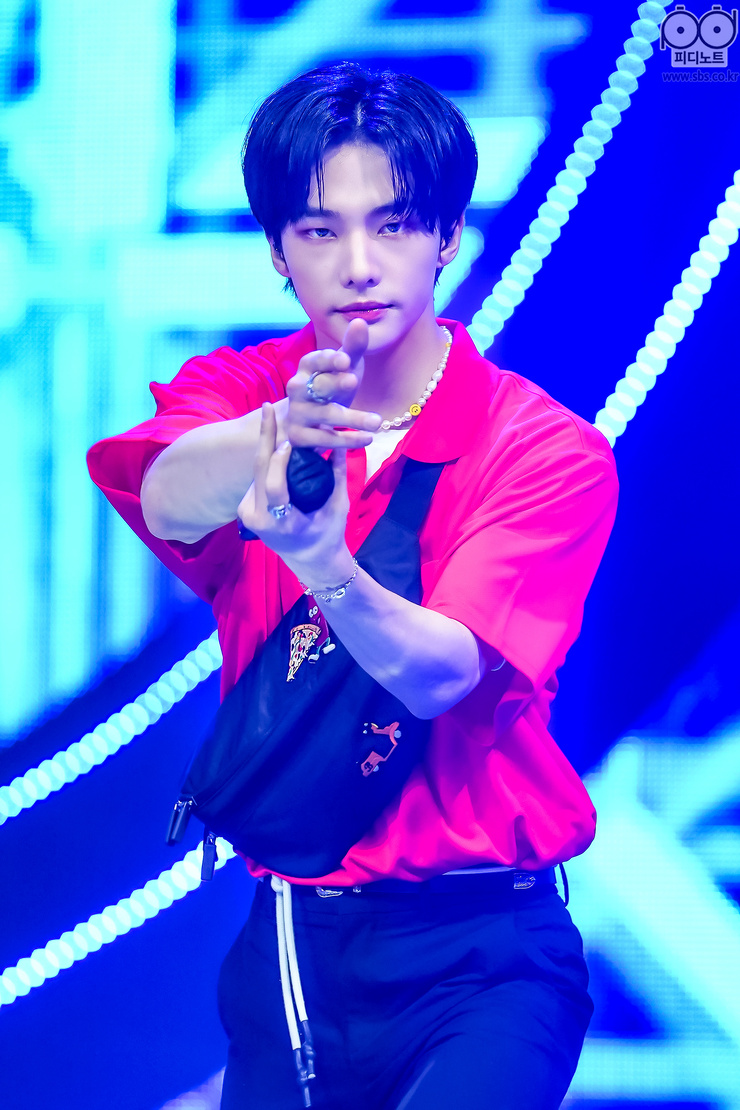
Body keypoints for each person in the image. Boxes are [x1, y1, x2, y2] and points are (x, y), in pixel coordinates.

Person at [88, 63, 618, 1110]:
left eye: (394, 224)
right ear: (278, 250)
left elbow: (441, 674)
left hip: (486, 951)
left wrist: (325, 563)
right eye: (321, 230)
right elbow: (163, 492)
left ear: (447, 236)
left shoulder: (541, 449)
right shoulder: (244, 391)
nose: (360, 264)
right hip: (292, 946)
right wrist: (272, 437)